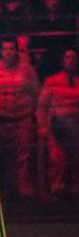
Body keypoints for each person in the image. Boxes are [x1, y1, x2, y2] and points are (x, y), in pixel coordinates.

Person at [0, 38, 40, 196]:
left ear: (16, 51)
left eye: (11, 49)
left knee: (23, 155)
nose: (8, 52)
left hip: (21, 117)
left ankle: (23, 191)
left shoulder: (27, 71)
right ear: (0, 52)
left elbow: (36, 94)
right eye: (5, 49)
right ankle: (1, 189)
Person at [39, 49, 79, 197]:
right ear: (63, 60)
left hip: (76, 126)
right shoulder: (52, 81)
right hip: (58, 127)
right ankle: (57, 188)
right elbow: (41, 106)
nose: (71, 60)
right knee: (57, 159)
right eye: (68, 57)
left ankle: (76, 188)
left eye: (74, 57)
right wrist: (42, 126)